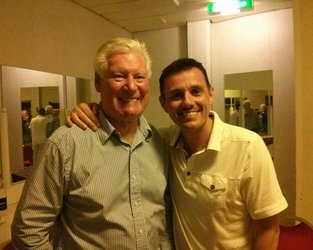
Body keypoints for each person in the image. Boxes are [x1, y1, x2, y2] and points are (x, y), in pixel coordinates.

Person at [68, 58, 288, 249]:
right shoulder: (160, 143)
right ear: (164, 103)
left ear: (210, 93)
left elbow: (269, 229)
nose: (188, 102)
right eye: (176, 95)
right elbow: (125, 126)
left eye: (196, 91)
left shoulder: (248, 146)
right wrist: (91, 109)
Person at [11, 38, 173, 249]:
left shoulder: (159, 143)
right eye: (118, 76)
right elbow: (28, 229)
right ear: (98, 82)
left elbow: (164, 220)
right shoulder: (65, 144)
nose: (131, 86)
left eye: (139, 77)